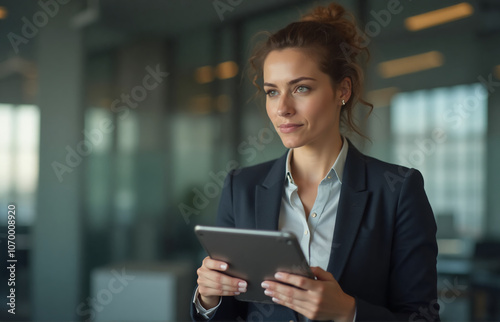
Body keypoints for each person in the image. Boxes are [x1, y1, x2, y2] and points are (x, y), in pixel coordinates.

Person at [191, 2, 440, 321]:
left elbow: (423, 317)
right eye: (271, 92)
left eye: (301, 88)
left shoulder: (397, 190)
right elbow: (232, 313)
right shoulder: (241, 186)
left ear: (342, 90)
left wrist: (349, 312)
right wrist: (208, 298)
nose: (282, 108)